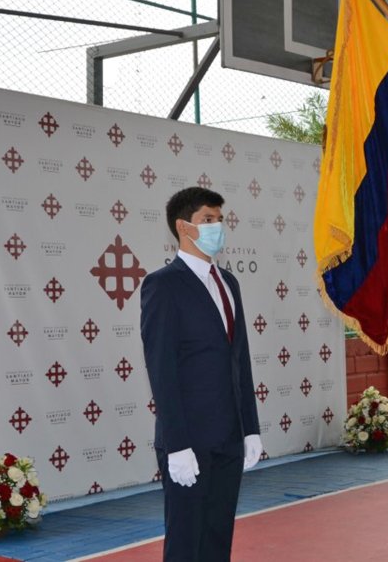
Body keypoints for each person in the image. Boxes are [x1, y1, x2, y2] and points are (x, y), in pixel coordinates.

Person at [140, 187, 263, 562]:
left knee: (217, 538)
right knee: (185, 542)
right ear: (183, 227)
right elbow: (161, 370)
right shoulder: (163, 285)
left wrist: (250, 428)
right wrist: (176, 445)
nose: (217, 227)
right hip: (188, 441)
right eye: (207, 220)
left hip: (228, 436)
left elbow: (239, 359)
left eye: (219, 220)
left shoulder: (229, 283)